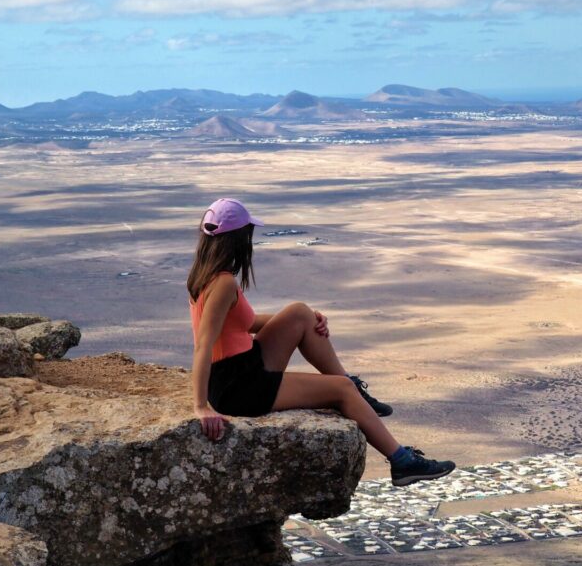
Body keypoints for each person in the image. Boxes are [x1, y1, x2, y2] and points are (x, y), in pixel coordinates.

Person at [188, 197, 455, 487]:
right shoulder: (224, 283)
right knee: (341, 391)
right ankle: (403, 463)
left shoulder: (205, 276)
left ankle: (353, 390)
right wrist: (201, 406)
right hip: (238, 387)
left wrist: (301, 323)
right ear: (240, 239)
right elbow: (204, 344)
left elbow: (245, 324)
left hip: (240, 367)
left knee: (301, 313)